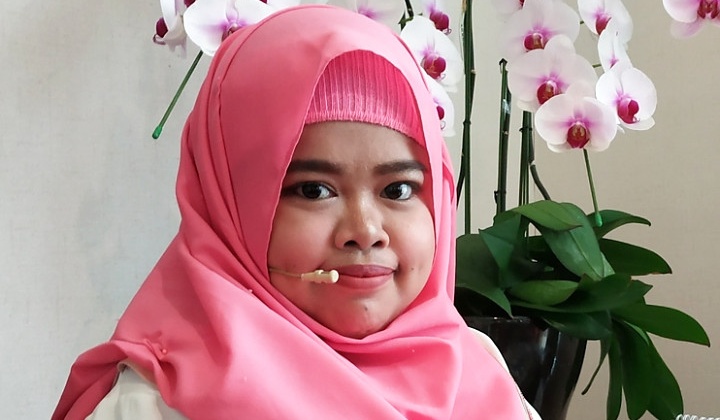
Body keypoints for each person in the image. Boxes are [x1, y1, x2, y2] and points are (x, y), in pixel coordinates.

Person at [53, 5, 539, 419]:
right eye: (313, 190)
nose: (365, 231)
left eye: (398, 189)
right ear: (229, 206)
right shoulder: (155, 403)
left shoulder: (474, 371)